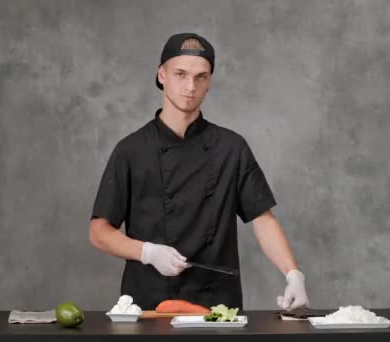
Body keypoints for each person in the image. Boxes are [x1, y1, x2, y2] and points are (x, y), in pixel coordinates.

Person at [89, 32, 308, 311]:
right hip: (149, 306)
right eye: (180, 74)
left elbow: (262, 218)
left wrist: (293, 274)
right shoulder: (131, 150)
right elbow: (98, 231)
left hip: (216, 307)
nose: (190, 86)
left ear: (209, 83)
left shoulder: (231, 147)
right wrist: (147, 252)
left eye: (200, 77)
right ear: (161, 75)